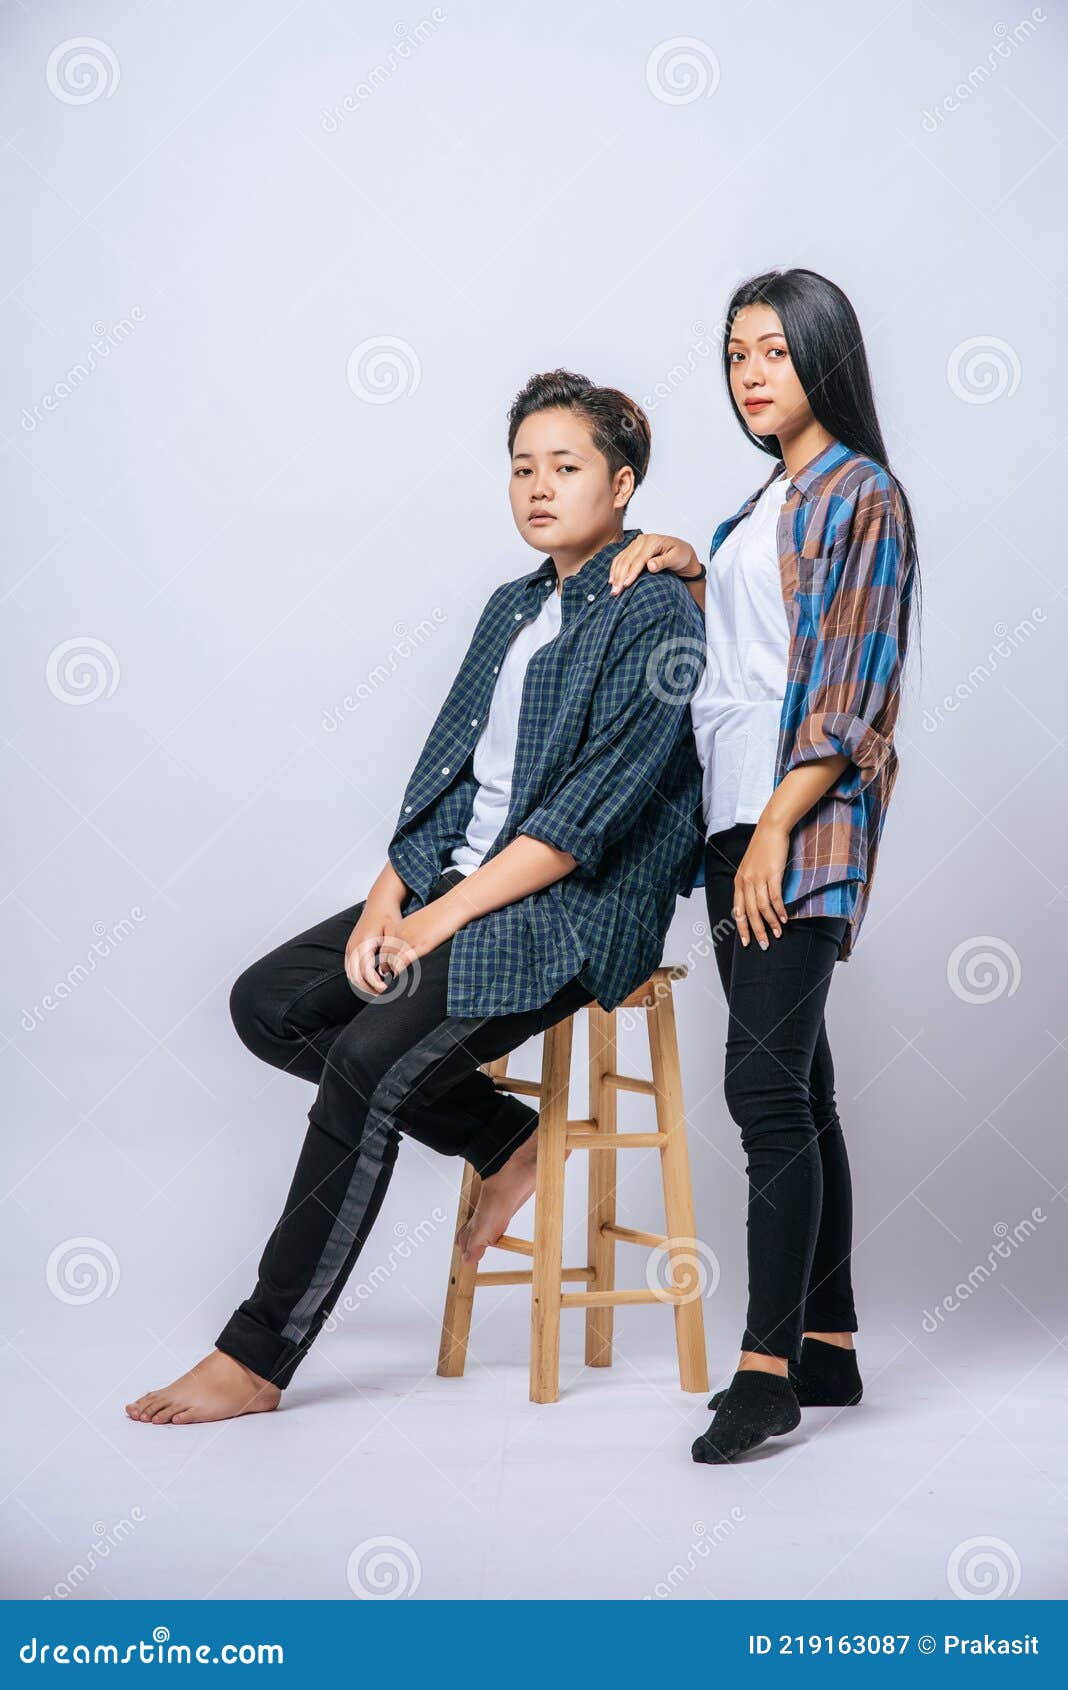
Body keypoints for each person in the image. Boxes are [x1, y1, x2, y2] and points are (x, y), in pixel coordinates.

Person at [125, 369, 707, 1426]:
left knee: (365, 1061)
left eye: (566, 466)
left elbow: (583, 822)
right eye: (522, 467)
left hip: (569, 910)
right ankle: (502, 1137)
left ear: (621, 485)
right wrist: (393, 895)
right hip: (455, 884)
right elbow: (446, 768)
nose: (538, 486)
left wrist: (435, 922)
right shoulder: (514, 604)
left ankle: (257, 1356)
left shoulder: (660, 613)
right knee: (271, 1002)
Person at [609, 268, 920, 1463]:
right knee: (804, 1088)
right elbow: (744, 656)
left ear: (824, 358)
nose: (751, 374)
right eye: (737, 352)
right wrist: (696, 560)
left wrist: (781, 831)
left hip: (799, 826)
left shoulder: (863, 497)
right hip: (736, 825)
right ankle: (832, 1343)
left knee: (761, 1094)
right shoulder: (764, 504)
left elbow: (850, 690)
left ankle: (767, 1369)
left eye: (776, 352)